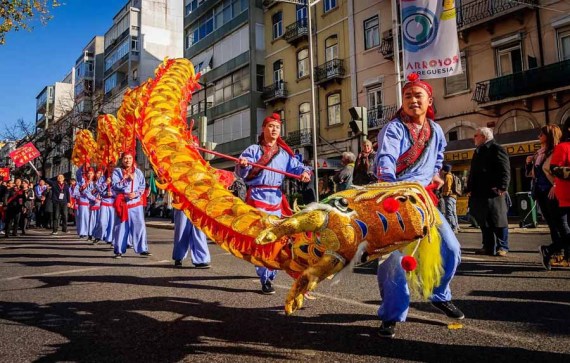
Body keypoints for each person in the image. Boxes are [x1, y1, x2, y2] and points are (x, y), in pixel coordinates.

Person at [374, 73, 463, 338]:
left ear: (429, 100)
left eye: (418, 96)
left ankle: (438, 294)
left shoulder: (435, 130)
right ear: (402, 102)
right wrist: (390, 185)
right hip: (397, 198)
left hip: (424, 199)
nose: (413, 100)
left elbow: (438, 157)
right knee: (394, 260)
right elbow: (386, 157)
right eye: (408, 96)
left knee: (451, 248)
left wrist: (434, 174)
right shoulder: (394, 129)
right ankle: (391, 313)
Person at [236, 113, 311, 294]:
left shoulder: (284, 154)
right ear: (264, 129)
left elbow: (299, 167)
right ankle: (264, 276)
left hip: (276, 199)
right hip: (257, 197)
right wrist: (244, 164)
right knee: (263, 239)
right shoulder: (253, 150)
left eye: (277, 127)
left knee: (277, 239)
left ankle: (270, 274)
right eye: (271, 126)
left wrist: (305, 172)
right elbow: (240, 170)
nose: (274, 129)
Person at [466, 127, 511, 257]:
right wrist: (469, 188)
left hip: (493, 192)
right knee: (484, 221)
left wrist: (502, 187)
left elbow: (505, 169)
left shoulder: (496, 149)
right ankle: (488, 246)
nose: (474, 138)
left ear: (484, 137)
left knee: (498, 220)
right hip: (479, 192)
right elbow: (473, 173)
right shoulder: (478, 151)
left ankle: (502, 247)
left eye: (476, 135)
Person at [540, 119, 570, 269]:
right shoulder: (563, 147)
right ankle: (554, 251)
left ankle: (550, 249)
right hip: (565, 196)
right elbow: (554, 169)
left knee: (566, 232)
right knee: (564, 230)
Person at [112, 151, 151, 258]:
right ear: (122, 160)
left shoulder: (138, 172)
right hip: (123, 203)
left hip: (135, 203)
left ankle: (142, 248)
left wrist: (136, 194)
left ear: (132, 159)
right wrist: (126, 179)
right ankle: (119, 249)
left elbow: (142, 186)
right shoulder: (117, 171)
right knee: (120, 227)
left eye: (129, 158)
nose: (127, 160)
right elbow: (115, 186)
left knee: (139, 226)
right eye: (125, 158)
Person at [92, 173, 115, 245]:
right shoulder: (102, 178)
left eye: (113, 166)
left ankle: (110, 238)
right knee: (102, 221)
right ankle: (98, 236)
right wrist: (106, 183)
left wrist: (113, 194)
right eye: (110, 166)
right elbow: (98, 189)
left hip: (113, 202)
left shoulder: (117, 176)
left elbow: (121, 188)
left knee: (112, 222)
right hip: (104, 201)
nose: (112, 168)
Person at [441, 164, 460, 233]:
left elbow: (447, 186)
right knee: (453, 212)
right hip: (453, 196)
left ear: (445, 170)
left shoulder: (448, 176)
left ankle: (453, 228)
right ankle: (456, 226)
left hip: (449, 196)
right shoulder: (452, 175)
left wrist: (444, 194)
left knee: (449, 213)